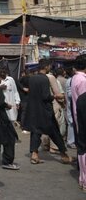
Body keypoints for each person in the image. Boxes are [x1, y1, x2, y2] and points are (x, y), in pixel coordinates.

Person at [26, 59, 73, 164]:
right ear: (46, 66)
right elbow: (46, 96)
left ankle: (34, 154)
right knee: (55, 132)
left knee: (36, 132)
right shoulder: (45, 79)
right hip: (45, 110)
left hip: (34, 110)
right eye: (49, 66)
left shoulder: (32, 78)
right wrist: (56, 96)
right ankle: (64, 155)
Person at [72, 54, 86, 191]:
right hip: (83, 116)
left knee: (82, 148)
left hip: (78, 116)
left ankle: (83, 179)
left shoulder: (76, 78)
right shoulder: (82, 80)